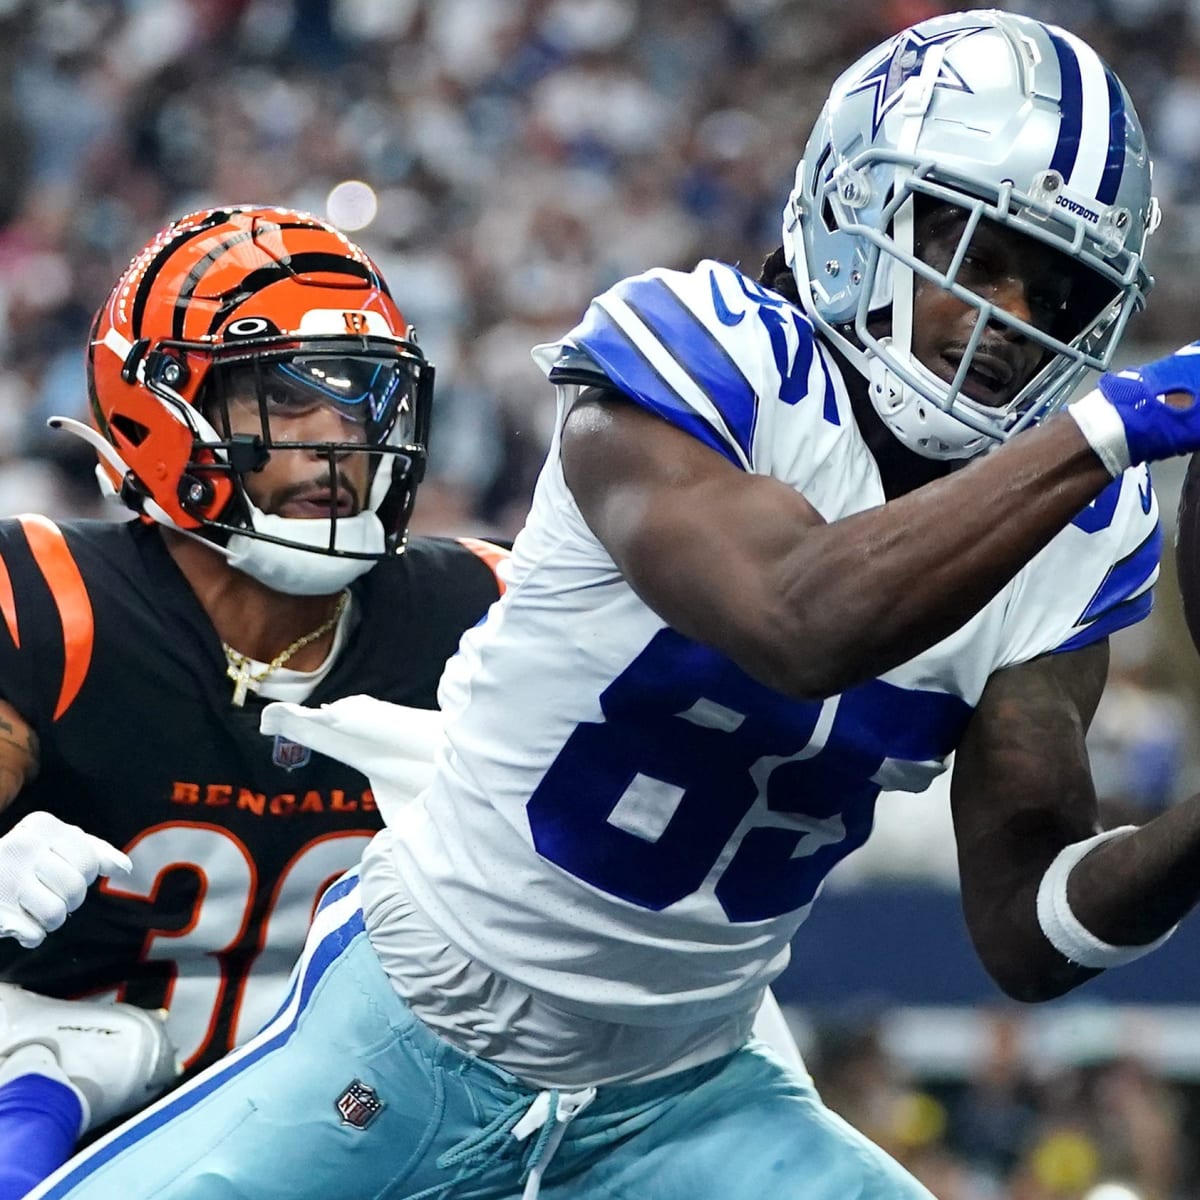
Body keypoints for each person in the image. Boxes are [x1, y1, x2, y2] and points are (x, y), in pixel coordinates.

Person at [28, 10, 1200, 1200]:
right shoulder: (706, 352)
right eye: (977, 251)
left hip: (689, 1089)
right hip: (420, 1028)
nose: (1008, 316)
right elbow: (799, 623)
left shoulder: (1084, 525)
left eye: (1060, 291)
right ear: (860, 212)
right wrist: (1103, 434)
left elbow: (1031, 932)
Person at [0, 205, 509, 1198]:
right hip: (80, 1115)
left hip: (375, 1145)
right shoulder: (51, 601)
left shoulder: (482, 616)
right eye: (283, 395)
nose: (334, 439)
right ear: (160, 409)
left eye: (360, 398)